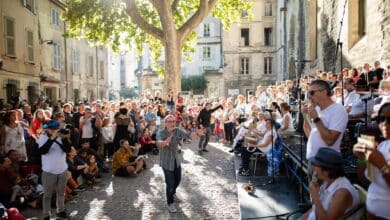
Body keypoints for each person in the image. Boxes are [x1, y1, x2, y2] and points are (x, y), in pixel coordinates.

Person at [353, 103, 390, 219]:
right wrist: (361, 159)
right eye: (381, 119)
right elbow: (366, 181)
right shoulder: (382, 146)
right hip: (372, 213)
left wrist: (382, 165)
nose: (384, 123)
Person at [302, 148, 360, 220]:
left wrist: (315, 197)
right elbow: (316, 209)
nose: (313, 167)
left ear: (326, 171)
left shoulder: (342, 193)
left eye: (316, 164)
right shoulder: (327, 180)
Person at [156, 115, 197, 213]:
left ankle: (173, 193)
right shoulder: (161, 132)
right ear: (165, 123)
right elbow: (158, 143)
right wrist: (165, 142)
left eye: (174, 121)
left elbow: (188, 136)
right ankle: (170, 203)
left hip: (176, 160)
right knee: (170, 183)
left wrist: (196, 134)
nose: (172, 123)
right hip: (166, 161)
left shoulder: (178, 130)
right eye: (170, 121)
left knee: (177, 180)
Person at [302, 80, 348, 160]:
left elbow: (329, 141)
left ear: (324, 92)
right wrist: (305, 116)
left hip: (326, 163)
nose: (309, 96)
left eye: (312, 92)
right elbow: (310, 134)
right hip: (312, 159)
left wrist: (316, 119)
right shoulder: (317, 109)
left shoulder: (338, 110)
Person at [39, 120, 71, 220]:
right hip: (49, 171)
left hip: (62, 170)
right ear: (47, 129)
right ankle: (46, 215)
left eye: (56, 128)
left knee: (61, 193)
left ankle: (60, 210)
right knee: (47, 195)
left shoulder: (61, 137)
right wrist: (52, 138)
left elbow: (68, 150)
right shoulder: (43, 138)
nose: (54, 130)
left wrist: (65, 139)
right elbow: (43, 151)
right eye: (52, 129)